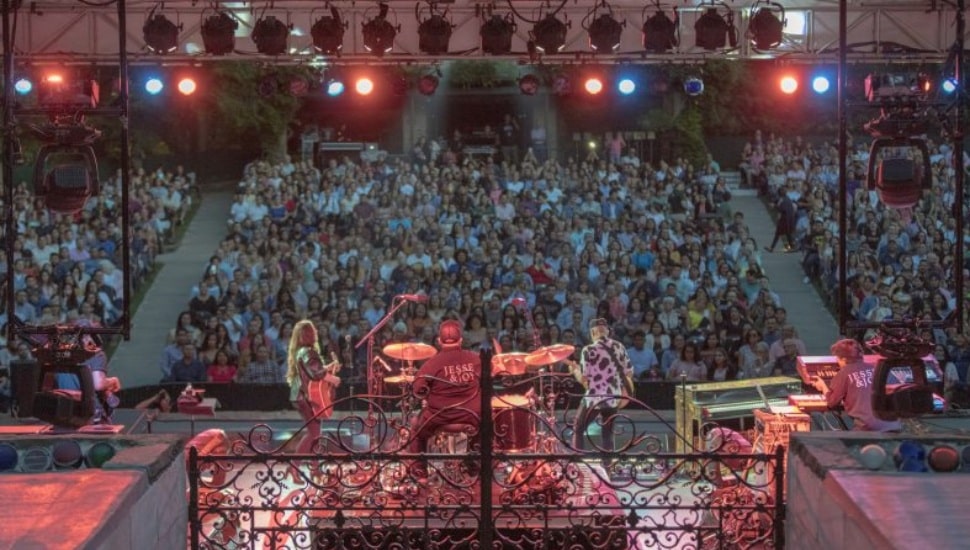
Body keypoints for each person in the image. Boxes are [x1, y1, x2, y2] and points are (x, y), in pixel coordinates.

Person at [408, 319, 482, 478]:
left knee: (415, 424)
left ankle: (419, 473)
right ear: (461, 340)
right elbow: (491, 377)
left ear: (439, 341)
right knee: (487, 419)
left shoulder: (431, 364)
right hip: (472, 417)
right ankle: (474, 462)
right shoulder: (476, 359)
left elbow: (418, 390)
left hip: (439, 418)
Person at [569, 318, 635, 464]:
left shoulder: (588, 350)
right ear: (608, 331)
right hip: (613, 397)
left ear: (593, 332)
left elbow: (584, 378)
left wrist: (575, 371)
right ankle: (607, 467)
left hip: (594, 398)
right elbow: (629, 372)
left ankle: (578, 463)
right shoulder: (619, 346)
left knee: (578, 428)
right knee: (607, 434)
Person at [813, 338, 902, 432]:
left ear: (843, 359)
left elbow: (832, 402)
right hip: (894, 425)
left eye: (837, 359)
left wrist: (822, 386)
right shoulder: (876, 369)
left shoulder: (844, 372)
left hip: (869, 428)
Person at [286, 319, 340, 454]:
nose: (316, 332)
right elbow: (315, 372)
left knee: (316, 432)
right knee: (314, 433)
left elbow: (312, 369)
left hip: (301, 395)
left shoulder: (301, 351)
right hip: (305, 395)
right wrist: (333, 378)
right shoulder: (308, 351)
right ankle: (294, 466)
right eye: (313, 330)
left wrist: (328, 367)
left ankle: (315, 468)